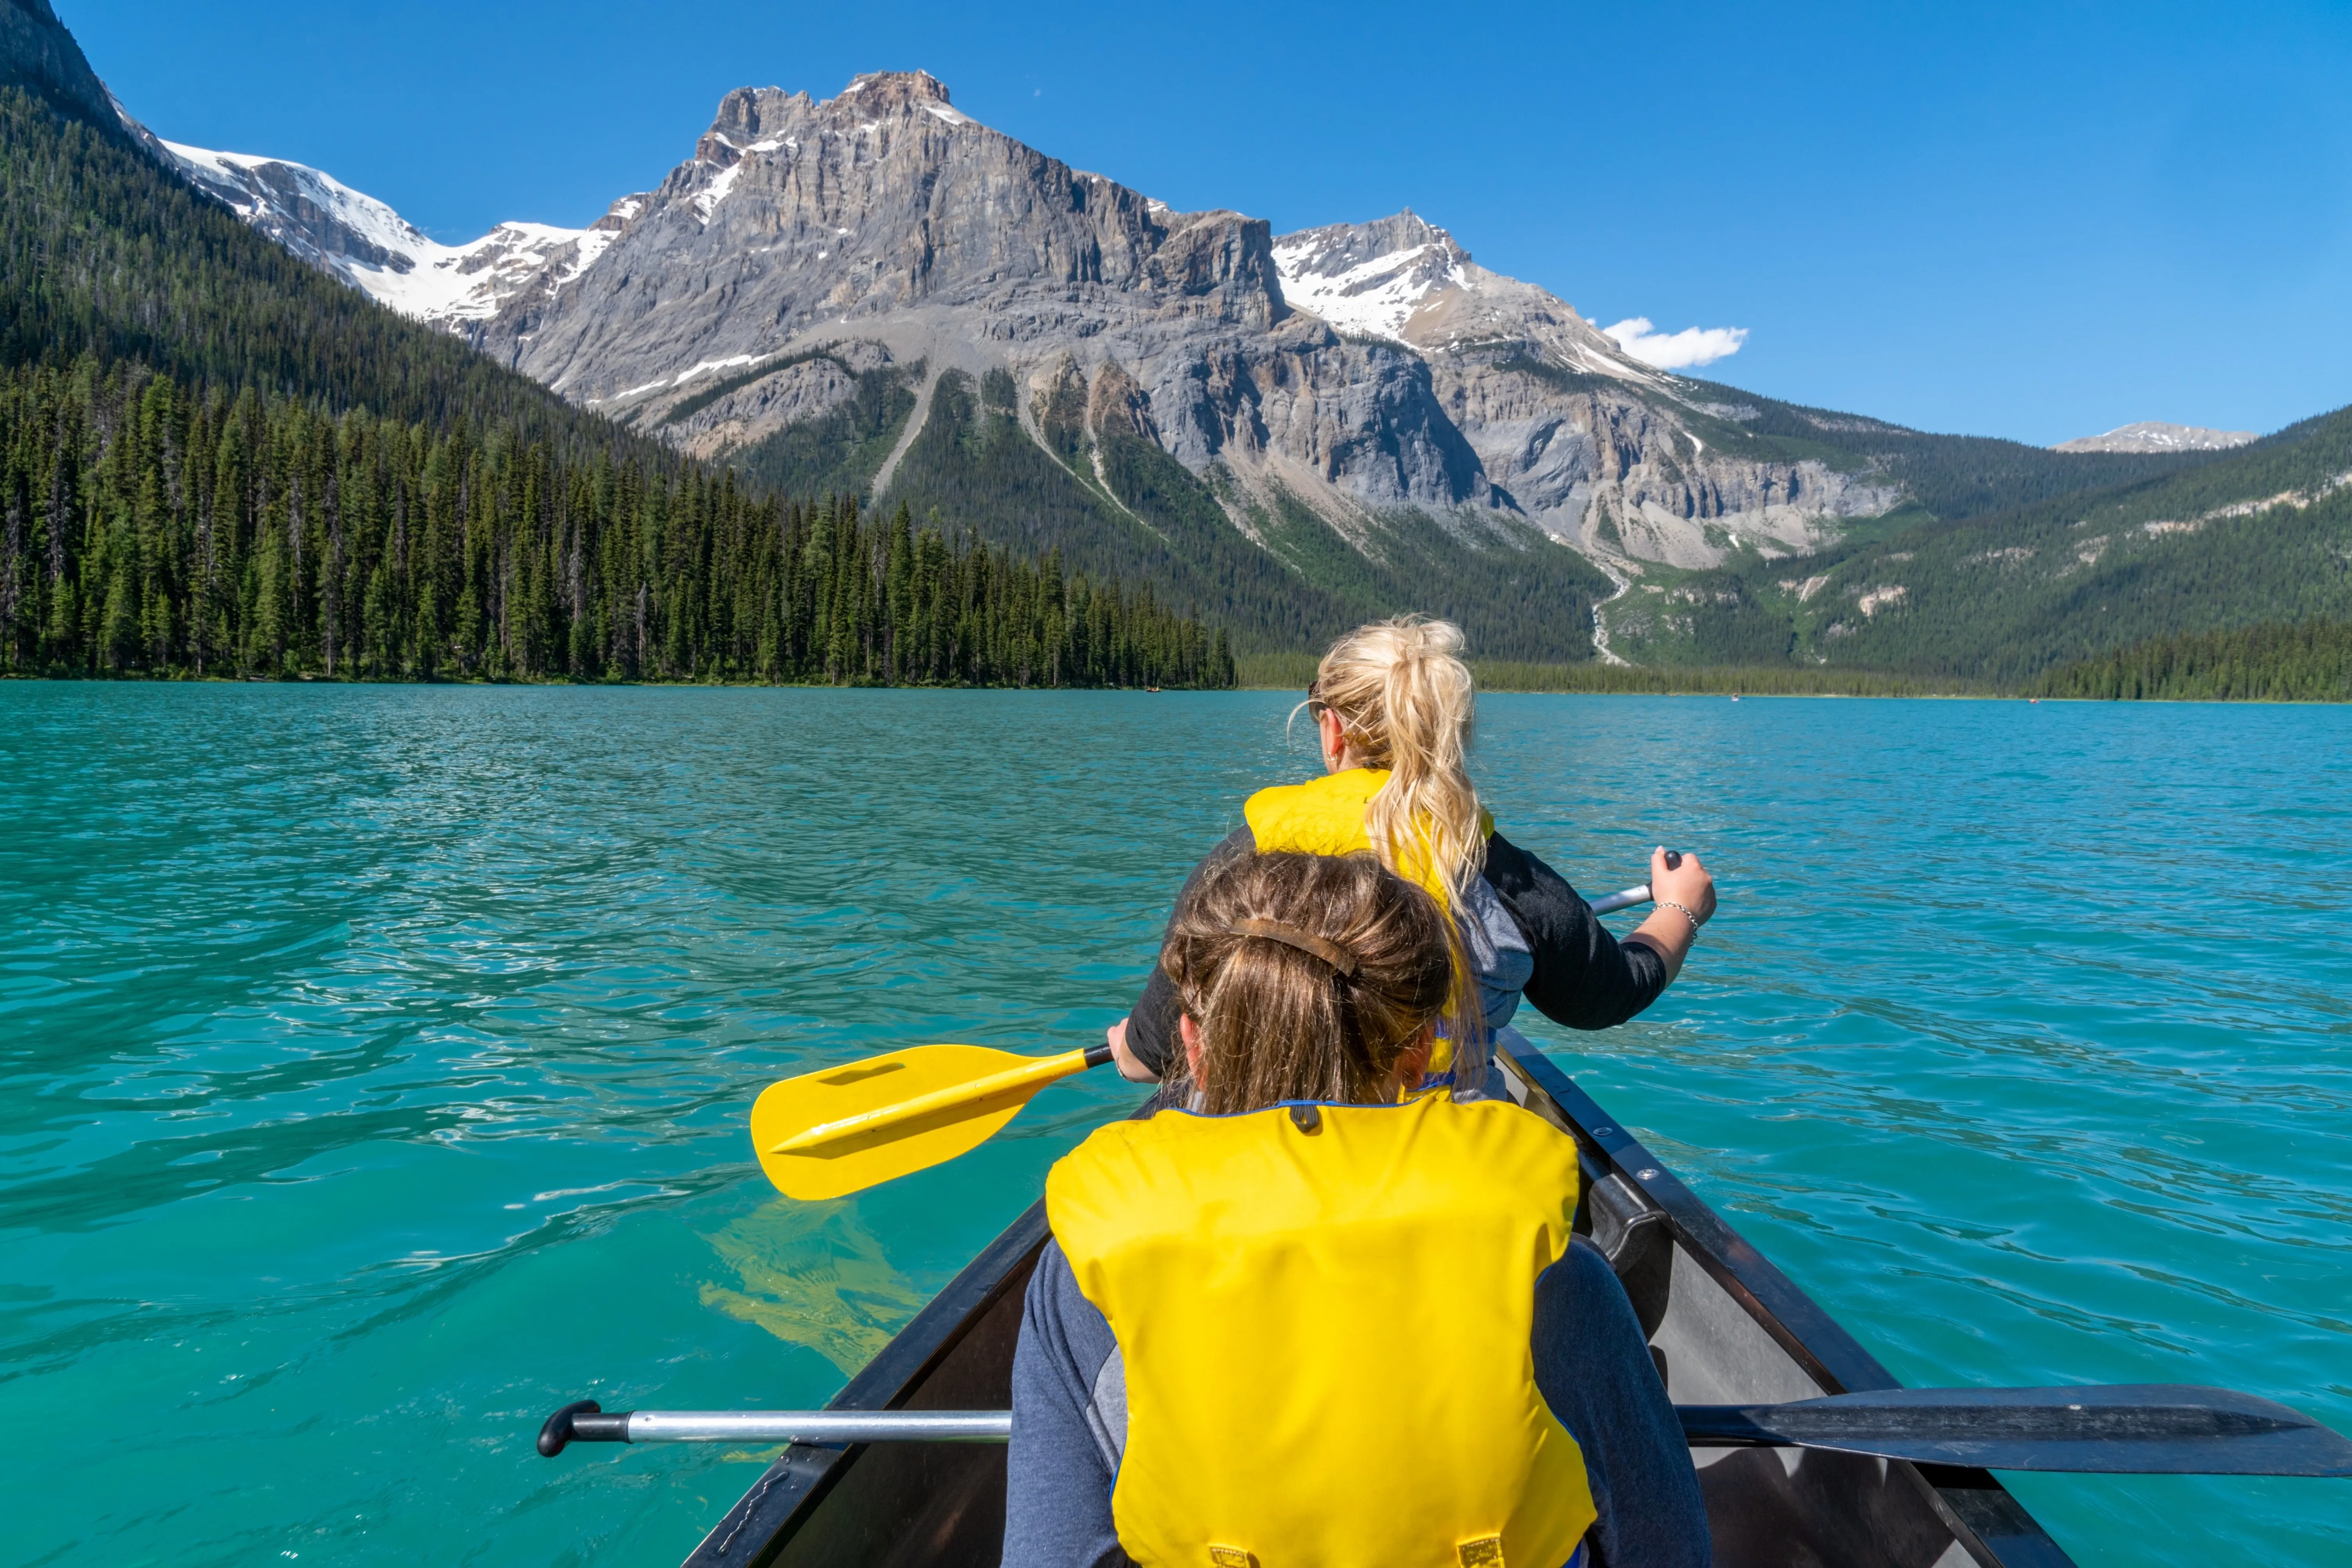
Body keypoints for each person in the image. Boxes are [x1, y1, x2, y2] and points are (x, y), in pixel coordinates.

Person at [1005, 851, 1712, 1568]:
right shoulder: (1551, 1267)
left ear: (1193, 1045)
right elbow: (1666, 1548)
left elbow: (1051, 1552)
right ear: (1418, 1055)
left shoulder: (1084, 1275)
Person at [1109, 615, 1717, 1096]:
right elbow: (1605, 994)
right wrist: (1679, 911)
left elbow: (1154, 1055)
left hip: (1266, 1169)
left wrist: (1127, 1048)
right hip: (1440, 1175)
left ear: (1333, 732)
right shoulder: (1494, 871)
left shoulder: (1245, 862)